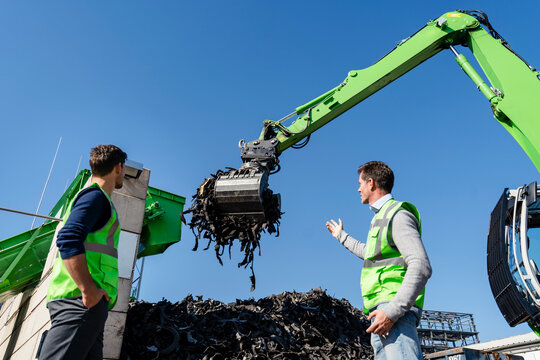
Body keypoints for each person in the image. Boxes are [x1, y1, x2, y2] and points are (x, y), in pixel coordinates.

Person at [326, 161, 431, 360]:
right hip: (381, 313)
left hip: (393, 311)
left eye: (360, 183)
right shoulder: (381, 217)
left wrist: (391, 312)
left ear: (371, 183)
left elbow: (421, 265)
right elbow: (370, 253)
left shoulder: (397, 214)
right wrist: (342, 236)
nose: (358, 189)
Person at [39, 144, 127, 360]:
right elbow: (68, 238)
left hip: (87, 303)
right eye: (123, 169)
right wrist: (88, 290)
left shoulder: (89, 198)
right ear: (118, 167)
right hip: (80, 302)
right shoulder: (95, 198)